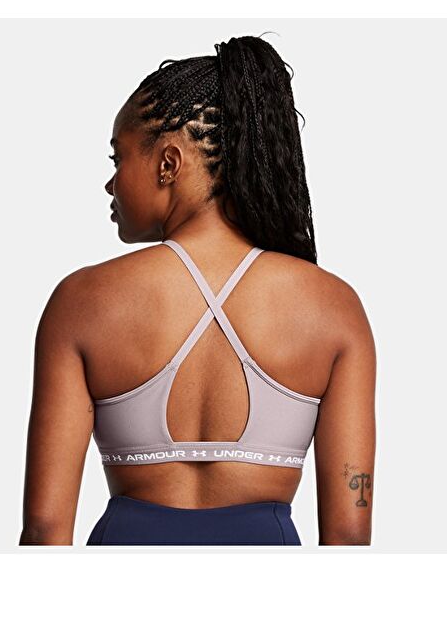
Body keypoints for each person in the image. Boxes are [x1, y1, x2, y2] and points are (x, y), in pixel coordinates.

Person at [19, 35, 376, 546]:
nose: (110, 184)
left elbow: (45, 530)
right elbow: (349, 534)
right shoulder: (334, 308)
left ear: (168, 163)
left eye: (117, 158)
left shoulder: (80, 301)